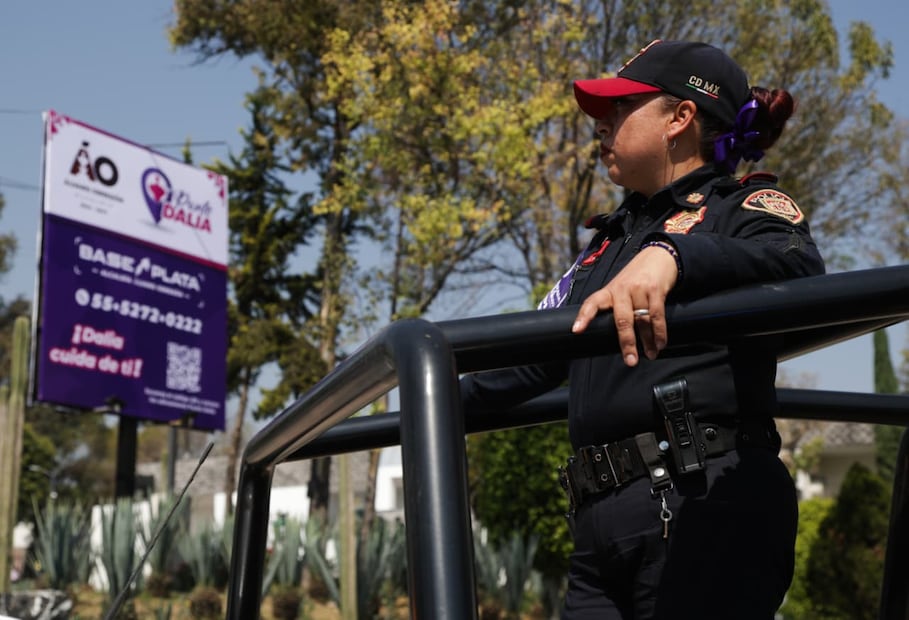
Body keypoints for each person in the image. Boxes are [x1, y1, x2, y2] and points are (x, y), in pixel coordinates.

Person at [460, 39, 825, 619]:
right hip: (600, 523)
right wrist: (428, 392)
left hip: (704, 499)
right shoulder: (607, 241)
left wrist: (676, 256)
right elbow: (538, 352)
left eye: (621, 107)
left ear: (680, 118)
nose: (601, 125)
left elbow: (800, 268)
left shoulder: (745, 203)